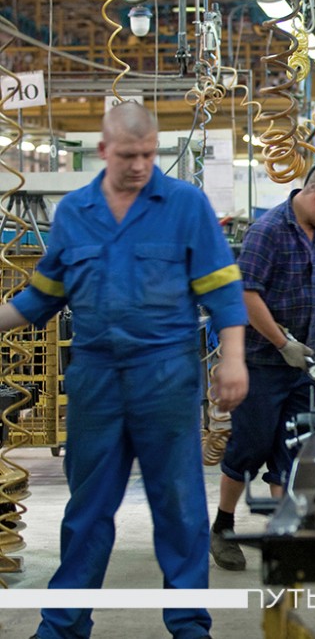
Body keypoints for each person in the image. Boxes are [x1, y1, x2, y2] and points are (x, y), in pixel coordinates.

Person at [0, 102, 247, 639]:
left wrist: (233, 358)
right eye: (129, 155)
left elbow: (224, 290)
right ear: (104, 151)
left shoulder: (184, 205)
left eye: (148, 155)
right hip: (96, 382)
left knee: (179, 509)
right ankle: (62, 627)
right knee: (86, 511)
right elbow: (42, 296)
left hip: (166, 378)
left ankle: (190, 627)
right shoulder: (74, 212)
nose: (139, 166)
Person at [210, 160, 315, 571]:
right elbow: (247, 294)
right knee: (250, 447)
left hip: (304, 365)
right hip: (261, 362)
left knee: (292, 452)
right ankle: (222, 526)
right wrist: (282, 344)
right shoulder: (268, 232)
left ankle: (284, 537)